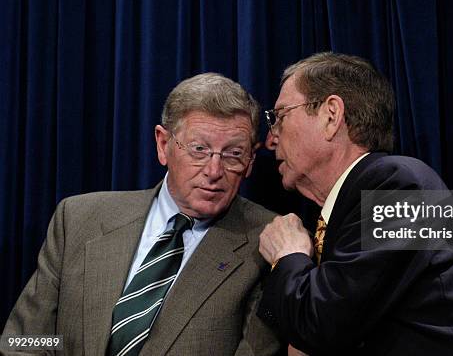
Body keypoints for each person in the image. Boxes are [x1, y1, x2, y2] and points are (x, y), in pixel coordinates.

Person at [3, 73, 280, 355]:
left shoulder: (268, 243)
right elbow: (26, 340)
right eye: (199, 150)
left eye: (233, 154)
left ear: (250, 162)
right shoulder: (78, 219)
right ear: (163, 145)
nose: (214, 171)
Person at [257, 52, 453, 355]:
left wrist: (288, 255)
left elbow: (323, 325)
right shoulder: (353, 203)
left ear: (331, 116)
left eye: (280, 116)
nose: (271, 139)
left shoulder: (397, 185)